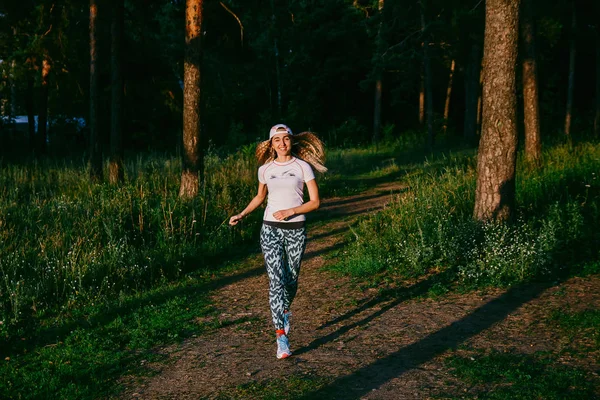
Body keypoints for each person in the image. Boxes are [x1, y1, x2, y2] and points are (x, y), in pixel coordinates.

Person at [229, 123, 327, 359]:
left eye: (285, 138)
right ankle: (281, 336)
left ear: (291, 141)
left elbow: (315, 202)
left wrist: (291, 211)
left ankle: (284, 311)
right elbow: (260, 196)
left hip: (296, 228)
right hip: (270, 229)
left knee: (291, 280)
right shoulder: (265, 170)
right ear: (271, 144)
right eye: (277, 140)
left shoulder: (302, 167)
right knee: (276, 281)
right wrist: (242, 214)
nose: (282, 143)